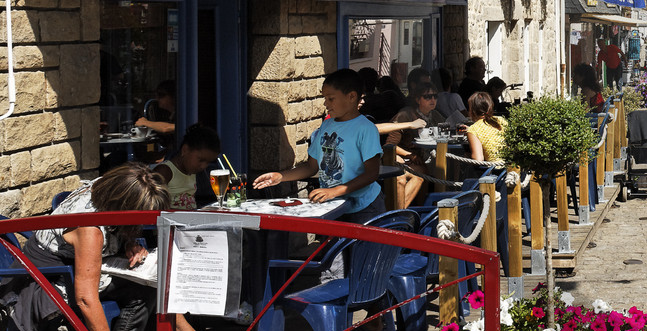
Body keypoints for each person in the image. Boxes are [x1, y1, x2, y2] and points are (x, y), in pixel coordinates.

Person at [10, 165, 229, 331]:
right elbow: (85, 298)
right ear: (124, 206)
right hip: (44, 279)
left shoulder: (106, 188)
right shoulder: (90, 230)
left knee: (156, 275)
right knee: (143, 289)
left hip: (74, 263)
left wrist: (128, 243)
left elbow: (114, 229)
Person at [254, 68, 384, 225]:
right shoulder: (326, 126)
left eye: (331, 99)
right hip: (333, 206)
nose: (325, 103)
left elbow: (371, 174)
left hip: (364, 208)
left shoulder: (366, 129)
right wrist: (280, 177)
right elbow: (311, 167)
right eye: (325, 98)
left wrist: (334, 191)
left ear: (351, 96)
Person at [387, 80, 446, 209]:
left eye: (435, 96)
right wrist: (410, 155)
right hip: (407, 159)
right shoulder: (405, 115)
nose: (432, 100)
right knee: (421, 173)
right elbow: (389, 146)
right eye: (427, 96)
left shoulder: (436, 115)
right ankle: (401, 211)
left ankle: (434, 208)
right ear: (418, 99)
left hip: (429, 158)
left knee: (448, 167)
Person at [153, 123, 222, 205]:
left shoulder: (192, 172)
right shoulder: (165, 171)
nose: (203, 166)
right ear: (185, 150)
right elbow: (154, 204)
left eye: (208, 162)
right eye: (201, 160)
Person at [465, 92, 505, 165]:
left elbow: (478, 159)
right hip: (513, 167)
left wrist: (467, 156)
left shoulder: (474, 129)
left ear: (472, 110)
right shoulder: (501, 120)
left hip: (495, 169)